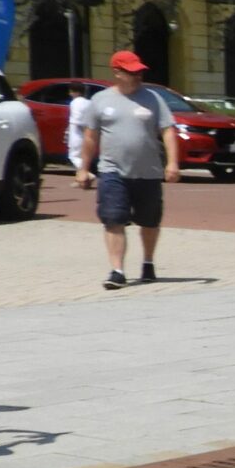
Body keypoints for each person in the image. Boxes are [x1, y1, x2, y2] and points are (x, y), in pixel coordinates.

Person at [75, 49, 179, 290]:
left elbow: (167, 131)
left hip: (149, 172)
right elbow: (90, 137)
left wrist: (172, 163)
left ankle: (148, 262)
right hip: (112, 171)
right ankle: (117, 271)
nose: (138, 76)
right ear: (117, 73)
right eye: (132, 72)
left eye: (139, 71)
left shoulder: (154, 98)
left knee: (149, 221)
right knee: (113, 219)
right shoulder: (100, 101)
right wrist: (83, 168)